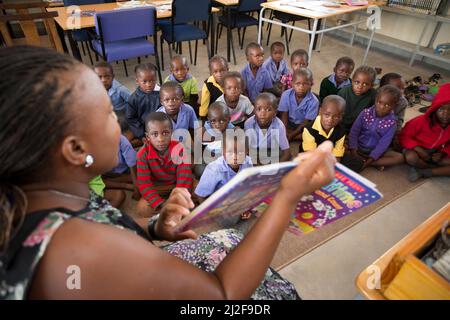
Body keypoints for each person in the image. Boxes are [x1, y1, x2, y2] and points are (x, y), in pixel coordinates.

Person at [0, 45, 336, 300]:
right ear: (74, 149)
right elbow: (222, 293)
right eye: (106, 114)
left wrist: (152, 229)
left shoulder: (44, 191)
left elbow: (115, 231)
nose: (119, 122)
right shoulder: (81, 250)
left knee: (229, 238)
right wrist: (286, 196)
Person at [135, 112, 194, 217]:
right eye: (155, 134)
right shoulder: (142, 154)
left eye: (165, 133)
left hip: (177, 185)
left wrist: (177, 200)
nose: (160, 139)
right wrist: (161, 203)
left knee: (199, 190)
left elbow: (184, 179)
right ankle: (172, 212)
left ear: (172, 133)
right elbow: (145, 184)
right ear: (147, 137)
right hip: (157, 188)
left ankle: (173, 212)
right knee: (142, 208)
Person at [345, 85, 404, 172]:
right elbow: (354, 131)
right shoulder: (365, 113)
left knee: (399, 158)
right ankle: (357, 159)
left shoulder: (392, 123)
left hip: (375, 152)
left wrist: (370, 159)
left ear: (394, 106)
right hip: (357, 148)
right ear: (376, 100)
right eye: (379, 102)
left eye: (387, 105)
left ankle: (367, 163)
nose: (381, 107)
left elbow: (383, 144)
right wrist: (354, 150)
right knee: (341, 145)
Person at [399, 83, 450, 181]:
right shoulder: (421, 120)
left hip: (434, 152)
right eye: (441, 109)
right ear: (434, 109)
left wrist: (443, 153)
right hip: (414, 149)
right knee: (411, 158)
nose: (446, 114)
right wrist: (418, 149)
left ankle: (425, 172)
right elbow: (404, 136)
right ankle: (428, 167)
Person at [194, 133, 253, 203]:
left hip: (237, 198)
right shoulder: (214, 169)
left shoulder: (248, 162)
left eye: (240, 152)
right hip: (218, 202)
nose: (235, 157)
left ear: (247, 151)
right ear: (222, 151)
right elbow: (200, 196)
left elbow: (249, 183)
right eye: (230, 152)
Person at [245, 93, 291, 164]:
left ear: (275, 113)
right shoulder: (249, 123)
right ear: (254, 110)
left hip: (271, 150)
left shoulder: (279, 126)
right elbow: (247, 148)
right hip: (254, 150)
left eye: (268, 109)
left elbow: (286, 151)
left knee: (288, 157)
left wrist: (274, 167)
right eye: (259, 109)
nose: (262, 113)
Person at [279, 68, 319, 141]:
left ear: (311, 84)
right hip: (288, 122)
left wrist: (292, 135)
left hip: (303, 126)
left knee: (314, 134)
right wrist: (284, 131)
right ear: (292, 84)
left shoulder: (314, 101)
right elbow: (284, 114)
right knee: (274, 125)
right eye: (298, 84)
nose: (301, 87)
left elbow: (306, 122)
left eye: (305, 84)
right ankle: (291, 134)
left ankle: (294, 135)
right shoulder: (286, 95)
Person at [302, 95, 346, 161]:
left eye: (336, 117)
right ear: (320, 111)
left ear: (341, 117)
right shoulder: (309, 129)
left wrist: (333, 164)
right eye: (327, 115)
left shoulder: (341, 131)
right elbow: (310, 154)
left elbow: (337, 155)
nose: (330, 120)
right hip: (311, 156)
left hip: (329, 156)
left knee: (355, 162)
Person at [126, 63, 160, 146]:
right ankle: (144, 141)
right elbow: (131, 118)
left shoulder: (161, 94)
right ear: (137, 81)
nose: (148, 85)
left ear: (156, 79)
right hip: (139, 126)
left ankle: (147, 141)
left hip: (157, 126)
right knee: (124, 140)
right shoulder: (133, 98)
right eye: (144, 82)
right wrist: (141, 134)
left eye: (152, 81)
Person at [338, 65, 377, 133]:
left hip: (360, 127)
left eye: (365, 84)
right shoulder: (344, 92)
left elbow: (372, 115)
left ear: (371, 85)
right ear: (352, 80)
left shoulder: (373, 95)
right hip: (341, 124)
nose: (360, 86)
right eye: (357, 82)